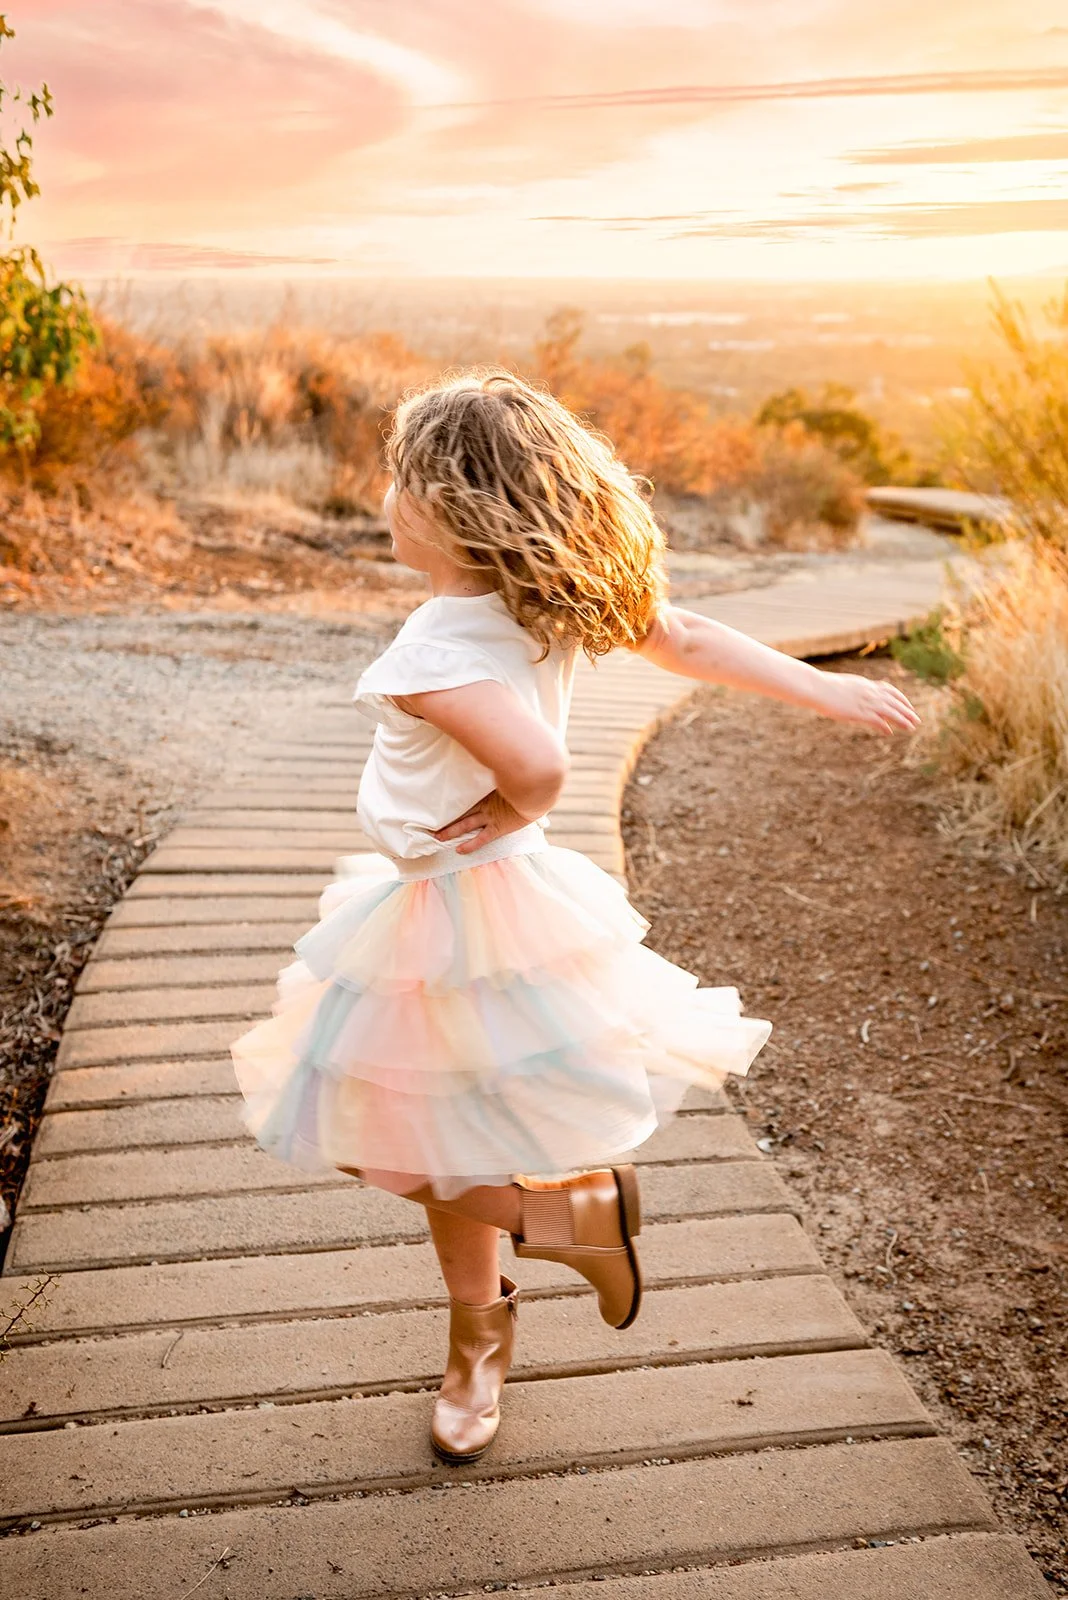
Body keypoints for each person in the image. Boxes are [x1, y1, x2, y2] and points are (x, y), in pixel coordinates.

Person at [231, 370, 919, 1466]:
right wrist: (825, 687)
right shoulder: (536, 599)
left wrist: (518, 802)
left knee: (368, 1131)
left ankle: (568, 1222)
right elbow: (686, 636)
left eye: (401, 482)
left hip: (462, 914)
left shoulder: (429, 656)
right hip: (478, 906)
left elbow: (542, 766)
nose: (386, 499)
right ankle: (479, 1335)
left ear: (450, 508)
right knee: (428, 1124)